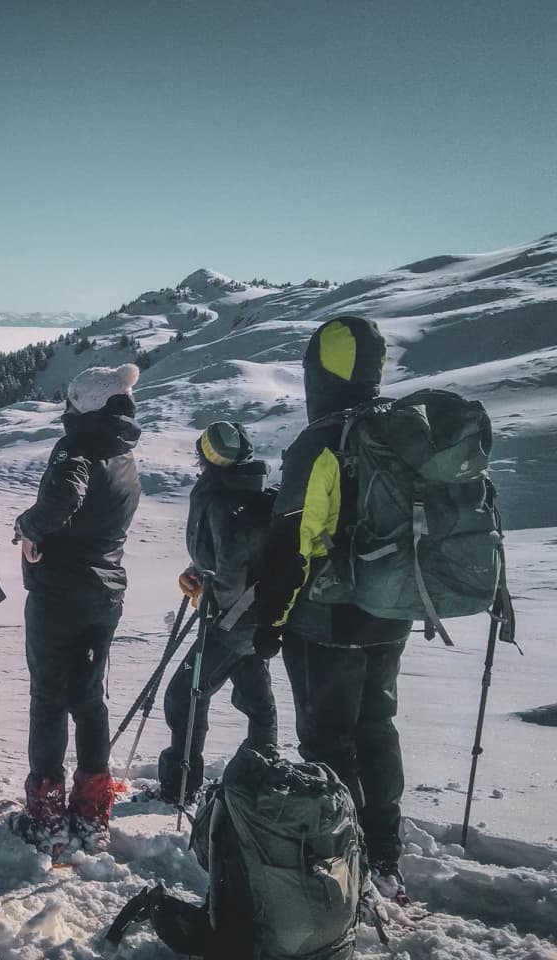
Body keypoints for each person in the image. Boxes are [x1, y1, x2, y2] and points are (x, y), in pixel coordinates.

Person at [253, 316, 411, 899]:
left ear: (318, 369)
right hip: (391, 612)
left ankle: (350, 861)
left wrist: (271, 621)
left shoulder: (319, 440)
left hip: (326, 620)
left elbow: (294, 544)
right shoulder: (395, 432)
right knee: (376, 726)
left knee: (326, 740)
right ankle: (386, 854)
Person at [10, 363, 142, 852]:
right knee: (89, 699)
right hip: (105, 593)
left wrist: (29, 528)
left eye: (70, 401)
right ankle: (91, 810)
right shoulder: (125, 454)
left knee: (48, 699)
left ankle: (45, 815)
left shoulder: (77, 449)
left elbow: (64, 498)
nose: (65, 409)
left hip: (60, 595)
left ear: (85, 405)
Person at [160, 421, 277, 804]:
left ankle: (181, 785)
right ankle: (258, 778)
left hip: (232, 622)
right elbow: (233, 559)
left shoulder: (226, 500)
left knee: (184, 695)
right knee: (256, 701)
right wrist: (197, 573)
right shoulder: (249, 493)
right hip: (253, 621)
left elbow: (232, 568)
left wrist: (210, 595)